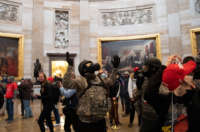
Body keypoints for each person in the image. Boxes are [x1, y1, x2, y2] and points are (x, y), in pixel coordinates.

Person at [63, 52, 120, 132]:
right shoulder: (81, 80)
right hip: (85, 123)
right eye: (88, 66)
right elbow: (67, 84)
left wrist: (115, 68)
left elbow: (111, 81)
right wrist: (70, 67)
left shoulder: (100, 79)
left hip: (100, 121)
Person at [144, 58, 199, 132]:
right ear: (181, 81)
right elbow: (149, 93)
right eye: (189, 73)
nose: (192, 76)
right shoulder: (166, 101)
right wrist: (164, 68)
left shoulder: (195, 97)